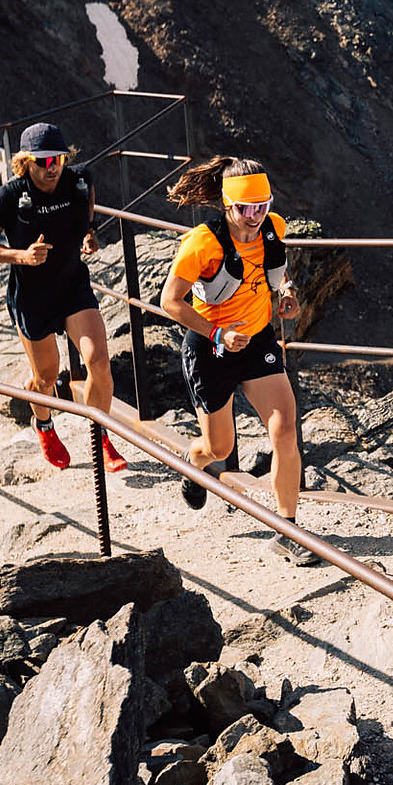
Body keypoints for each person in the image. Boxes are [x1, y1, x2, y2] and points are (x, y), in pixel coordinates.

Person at [159, 155, 314, 566]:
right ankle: (193, 461)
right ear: (227, 204)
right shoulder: (201, 243)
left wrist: (286, 295)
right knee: (219, 447)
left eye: (262, 206)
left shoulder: (273, 229)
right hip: (211, 348)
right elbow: (169, 301)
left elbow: (275, 274)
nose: (255, 216)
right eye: (246, 209)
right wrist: (218, 333)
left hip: (258, 339)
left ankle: (288, 530)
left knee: (283, 429)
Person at [0, 122, 127, 472]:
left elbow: (88, 198)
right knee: (45, 377)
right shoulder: (9, 196)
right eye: (42, 161)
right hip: (32, 296)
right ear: (25, 162)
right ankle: (44, 425)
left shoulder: (78, 180)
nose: (51, 168)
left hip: (72, 285)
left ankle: (99, 435)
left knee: (99, 363)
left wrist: (89, 232)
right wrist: (22, 256)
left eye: (57, 159)